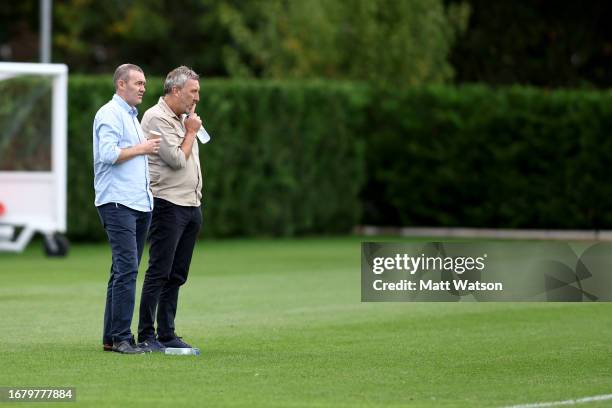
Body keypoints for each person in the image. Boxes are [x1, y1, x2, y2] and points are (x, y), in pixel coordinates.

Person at [93, 63, 160, 354]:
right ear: (121, 84)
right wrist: (143, 148)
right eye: (138, 83)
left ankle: (111, 337)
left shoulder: (132, 117)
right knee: (127, 270)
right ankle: (122, 338)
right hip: (117, 202)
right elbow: (108, 154)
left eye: (144, 83)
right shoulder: (109, 113)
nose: (143, 87)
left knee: (121, 270)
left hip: (138, 203)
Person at [137, 66, 203, 351]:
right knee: (159, 270)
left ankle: (167, 333)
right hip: (167, 203)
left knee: (177, 273)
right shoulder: (155, 117)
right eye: (193, 92)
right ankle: (146, 335)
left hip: (190, 203)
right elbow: (177, 160)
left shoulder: (184, 118)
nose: (197, 98)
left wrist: (188, 126)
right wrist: (190, 132)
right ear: (176, 90)